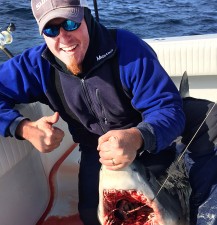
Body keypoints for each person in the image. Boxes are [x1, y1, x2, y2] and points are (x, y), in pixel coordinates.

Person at [0, 0, 185, 224]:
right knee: (91, 216)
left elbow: (168, 109)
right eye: (51, 29)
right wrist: (22, 127)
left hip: (148, 146)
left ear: (85, 17)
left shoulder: (128, 49)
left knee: (177, 208)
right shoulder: (37, 66)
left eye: (70, 23)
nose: (64, 38)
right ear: (41, 32)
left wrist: (138, 137)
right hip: (93, 151)